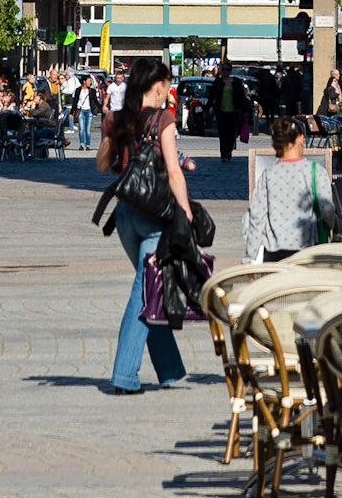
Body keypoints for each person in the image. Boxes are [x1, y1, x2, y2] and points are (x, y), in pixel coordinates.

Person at [95, 55, 192, 394]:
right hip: (155, 217)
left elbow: (102, 165)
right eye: (166, 85)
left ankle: (169, 369)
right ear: (157, 86)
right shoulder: (163, 118)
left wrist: (110, 132)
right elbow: (174, 171)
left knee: (151, 288)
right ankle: (124, 376)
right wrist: (186, 212)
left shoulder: (117, 118)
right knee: (143, 294)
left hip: (125, 215)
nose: (168, 91)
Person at [243, 116, 337, 262]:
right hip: (307, 252)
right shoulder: (315, 171)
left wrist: (250, 256)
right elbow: (327, 210)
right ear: (300, 139)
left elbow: (256, 217)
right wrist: (331, 227)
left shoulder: (268, 175)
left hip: (274, 254)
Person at [209, 60, 249, 164]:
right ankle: (223, 154)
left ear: (231, 71)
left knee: (231, 133)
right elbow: (211, 96)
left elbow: (241, 97)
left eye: (227, 69)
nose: (225, 71)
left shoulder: (236, 82)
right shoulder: (217, 82)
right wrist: (207, 108)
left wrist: (245, 110)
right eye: (223, 69)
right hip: (221, 111)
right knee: (222, 133)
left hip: (233, 111)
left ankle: (229, 151)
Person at [317, 68, 342, 132]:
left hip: (337, 106)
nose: (338, 75)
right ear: (333, 76)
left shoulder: (337, 85)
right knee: (332, 121)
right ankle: (332, 132)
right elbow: (331, 95)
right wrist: (337, 94)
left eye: (338, 74)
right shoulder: (331, 86)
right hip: (332, 107)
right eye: (336, 74)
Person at [77, 75, 95, 151]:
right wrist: (71, 112)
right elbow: (75, 100)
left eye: (90, 81)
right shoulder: (78, 90)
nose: (90, 82)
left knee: (88, 129)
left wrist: (102, 108)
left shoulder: (92, 91)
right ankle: (81, 144)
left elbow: (95, 101)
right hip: (81, 111)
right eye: (89, 81)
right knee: (81, 128)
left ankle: (88, 145)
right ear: (84, 81)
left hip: (89, 111)